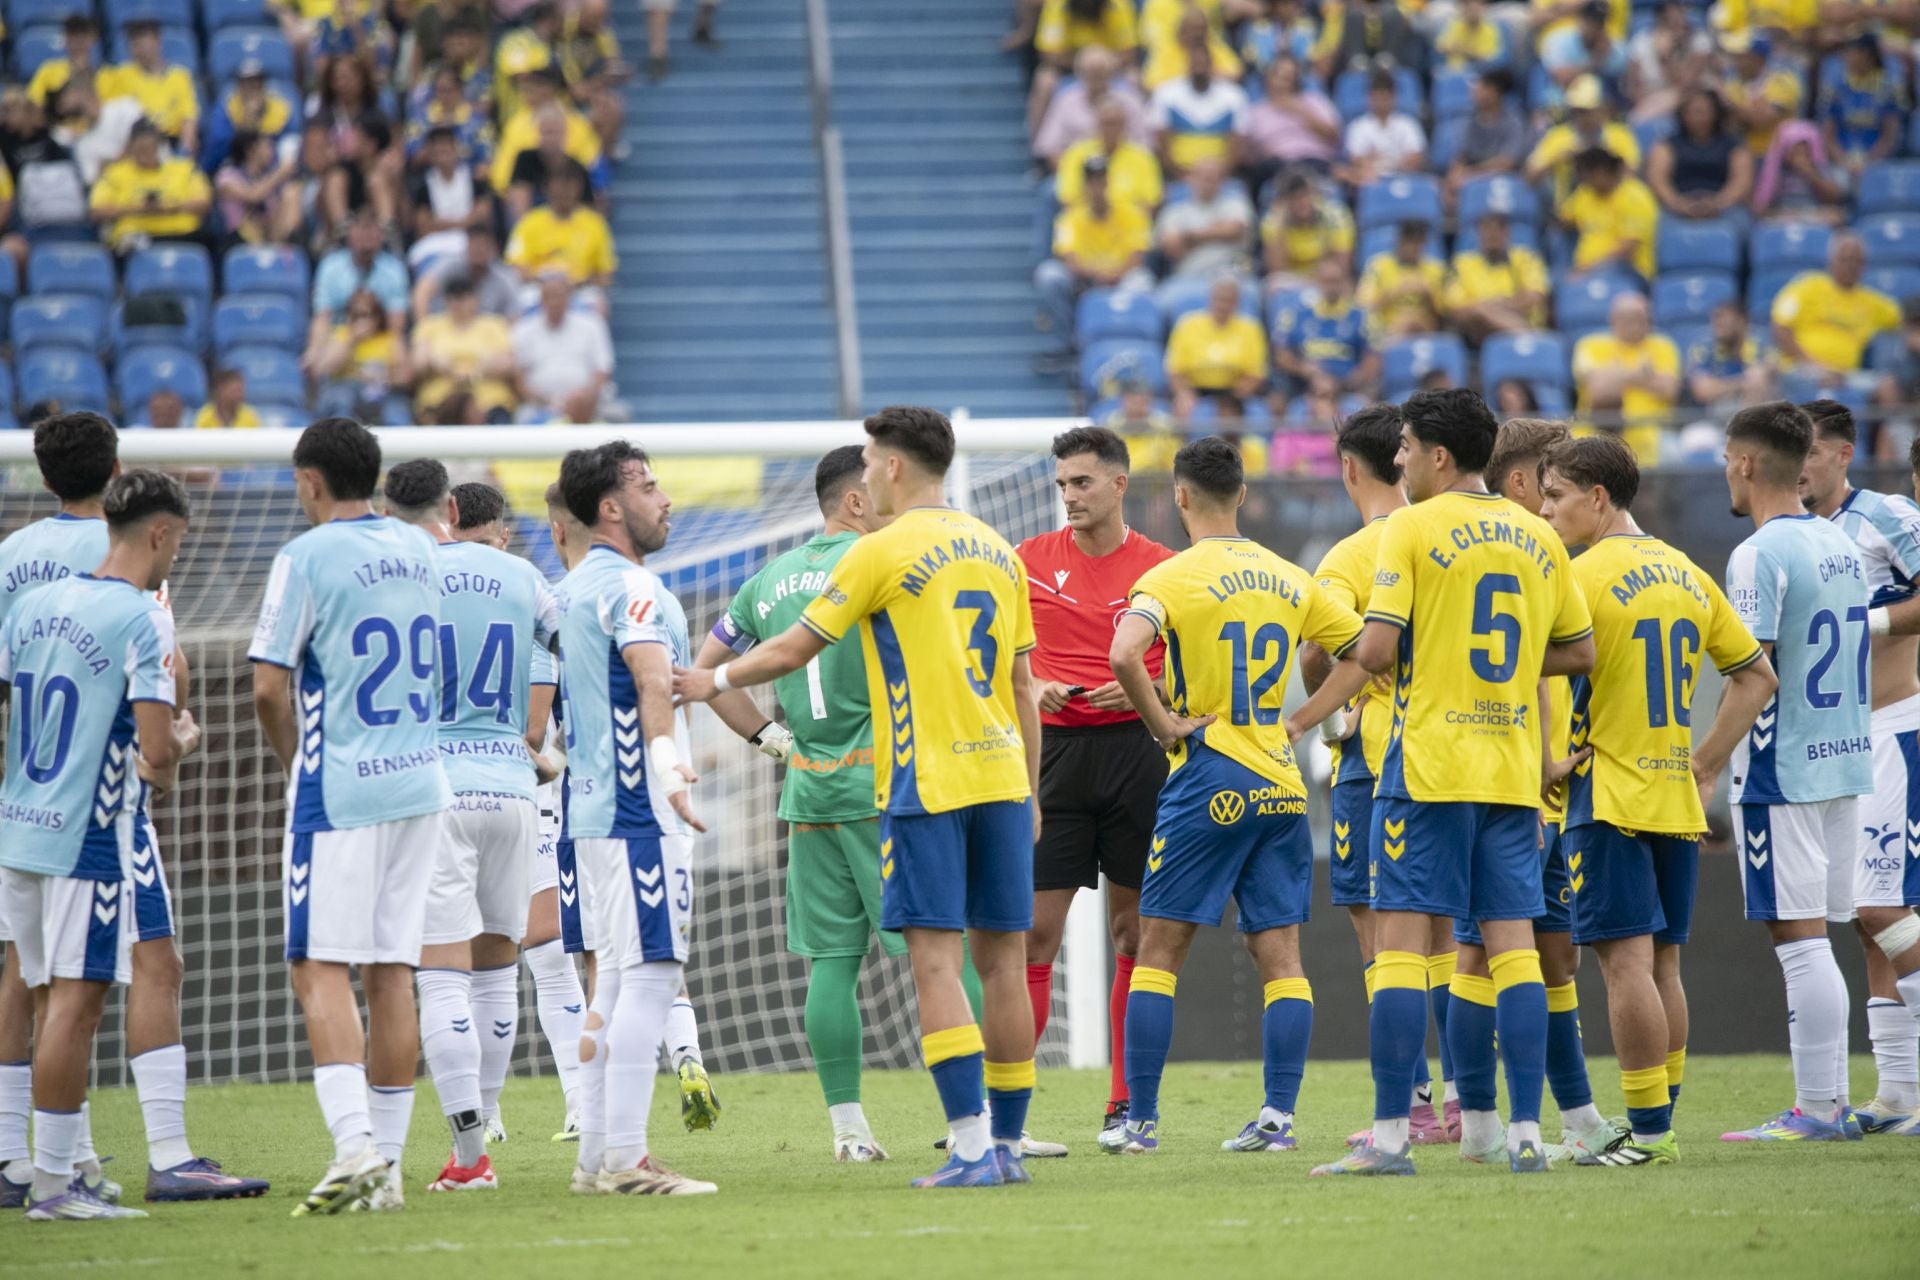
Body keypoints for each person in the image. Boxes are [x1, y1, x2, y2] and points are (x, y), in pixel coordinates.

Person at [676, 407, 1043, 1189]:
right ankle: (1009, 1141)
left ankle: (947, 1141)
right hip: (1000, 776)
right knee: (1002, 961)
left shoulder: (856, 558)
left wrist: (718, 686)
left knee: (904, 964)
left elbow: (789, 649)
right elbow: (1021, 685)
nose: (870, 473)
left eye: (876, 459)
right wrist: (1034, 790)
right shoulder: (1001, 552)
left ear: (893, 469)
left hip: (888, 781)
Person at [1310, 388, 1595, 1178]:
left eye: (1403, 447)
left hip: (1426, 766)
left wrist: (1423, 657)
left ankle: (1392, 1140)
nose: (1395, 461)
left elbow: (1371, 652)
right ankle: (1526, 1134)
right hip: (1510, 771)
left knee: (1400, 950)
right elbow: (1579, 653)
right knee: (1512, 952)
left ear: (1439, 454)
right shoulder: (1536, 536)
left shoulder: (1407, 526)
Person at [0, 418, 267, 1210]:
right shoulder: (137, 596)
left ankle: (28, 1160)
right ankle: (136, 1160)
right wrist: (170, 751)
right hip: (96, 811)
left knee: (25, 977)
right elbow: (165, 694)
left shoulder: (22, 573)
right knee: (124, 976)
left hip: (24, 804)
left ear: (43, 476)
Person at [1104, 434, 1362, 1155]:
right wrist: (1306, 721)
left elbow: (1125, 652)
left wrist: (1162, 725)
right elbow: (1368, 655)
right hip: (1280, 784)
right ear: (1243, 495)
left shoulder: (1174, 577)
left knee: (1159, 951)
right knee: (1280, 955)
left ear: (1180, 497)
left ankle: (1141, 1122)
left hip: (1209, 774)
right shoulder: (1290, 577)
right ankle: (1278, 1118)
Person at [1536, 434, 1775, 1165]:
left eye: (1555, 497)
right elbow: (1756, 676)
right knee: (1665, 967)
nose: (1545, 513)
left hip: (1607, 792)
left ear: (1598, 498)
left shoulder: (1578, 577)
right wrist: (1705, 761)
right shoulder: (1685, 570)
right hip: (1675, 794)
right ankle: (1660, 1122)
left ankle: (1646, 1134)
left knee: (1624, 967)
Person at [250, 418, 454, 1214]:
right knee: (392, 969)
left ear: (309, 481)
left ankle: (353, 1148)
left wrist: (297, 761)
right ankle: (390, 1173)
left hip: (341, 789)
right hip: (418, 780)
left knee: (318, 967)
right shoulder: (418, 547)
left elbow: (269, 686)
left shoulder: (304, 556)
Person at [694, 446, 913, 1160]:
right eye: (883, 488)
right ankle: (982, 1122)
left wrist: (770, 741)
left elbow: (706, 674)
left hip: (810, 786)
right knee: (950, 947)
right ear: (856, 501)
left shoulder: (768, 580)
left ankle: (849, 1132)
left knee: (832, 961)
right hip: (885, 785)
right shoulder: (879, 567)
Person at [378, 460, 558, 1192]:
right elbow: (567, 646)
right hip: (514, 786)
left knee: (440, 976)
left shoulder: (402, 571)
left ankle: (470, 1153)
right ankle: (475, 1144)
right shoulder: (522, 577)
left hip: (436, 788)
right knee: (494, 973)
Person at [550, 441, 714, 1196]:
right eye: (649, 487)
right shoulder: (636, 592)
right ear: (611, 508)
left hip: (586, 816)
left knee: (612, 985)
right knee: (653, 973)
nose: (665, 499)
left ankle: (594, 1163)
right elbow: (651, 678)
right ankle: (624, 1159)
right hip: (636, 812)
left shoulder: (570, 590)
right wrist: (665, 763)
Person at [1716, 401, 1874, 1143]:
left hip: (1783, 768)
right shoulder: (1837, 542)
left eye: (1726, 457)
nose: (1724, 469)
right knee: (1822, 937)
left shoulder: (1759, 553)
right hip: (1844, 756)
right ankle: (1831, 1103)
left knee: (1799, 938)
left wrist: (1704, 762)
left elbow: (1754, 675)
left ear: (1747, 463)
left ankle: (1817, 1108)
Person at [1016, 427, 1175, 1147]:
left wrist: (1149, 685)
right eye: (1061, 486)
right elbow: (988, 657)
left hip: (1137, 756)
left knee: (1133, 934)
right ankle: (1003, 1115)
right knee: (1033, 938)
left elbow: (1194, 669)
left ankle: (1125, 1105)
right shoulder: (1025, 563)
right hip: (1052, 759)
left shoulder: (1163, 570)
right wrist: (1035, 683)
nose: (1069, 497)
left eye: (1081, 483)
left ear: (1118, 484)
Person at [1300, 405, 1454, 1145]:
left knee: (1380, 935)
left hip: (1379, 758)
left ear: (1350, 467)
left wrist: (1330, 715)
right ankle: (1470, 1101)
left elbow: (1318, 658)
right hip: (1464, 754)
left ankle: (1413, 1104)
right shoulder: (1451, 537)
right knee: (1452, 933)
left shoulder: (1350, 558)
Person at [1476, 419, 1613, 1163]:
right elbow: (1515, 678)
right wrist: (1535, 770)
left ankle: (1578, 1116)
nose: (1560, 491)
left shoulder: (1545, 559)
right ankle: (1488, 1127)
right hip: (1512, 791)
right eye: (1551, 476)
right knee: (1489, 956)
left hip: (1542, 789)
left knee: (1553, 959)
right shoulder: (1519, 553)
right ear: (1523, 482)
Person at [1794, 401, 1920, 1136]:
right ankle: (1899, 1095)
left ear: (1841, 454)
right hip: (1837, 740)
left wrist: (1863, 621)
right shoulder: (1799, 536)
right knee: (1864, 924)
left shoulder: (1888, 515)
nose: (1797, 467)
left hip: (1895, 728)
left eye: (1806, 453)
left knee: (1882, 909)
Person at [1034, 156, 1153, 363]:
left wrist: (1111, 275)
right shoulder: (1070, 217)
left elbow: (1137, 258)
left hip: (1121, 277)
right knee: (1050, 275)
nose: (1097, 187)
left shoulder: (1132, 213)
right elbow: (1069, 259)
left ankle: (1133, 347)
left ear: (1108, 182)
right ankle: (1067, 344)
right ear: (1085, 185)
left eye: (1101, 180)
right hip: (1084, 278)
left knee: (1141, 281)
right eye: (1092, 182)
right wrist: (1097, 275)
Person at [1771, 232, 1901, 391]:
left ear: (1864, 265)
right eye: (1844, 259)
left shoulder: (1872, 302)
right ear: (1831, 261)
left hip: (1848, 377)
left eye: (1856, 260)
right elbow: (1781, 328)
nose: (1850, 265)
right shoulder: (1807, 286)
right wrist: (1812, 365)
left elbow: (1905, 318)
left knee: (1888, 387)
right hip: (1801, 370)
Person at [1572, 292, 1681, 466]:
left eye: (1643, 317)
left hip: (1653, 431)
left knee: (1674, 453)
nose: (1637, 324)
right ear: (1613, 319)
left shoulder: (1663, 345)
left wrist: (1615, 374)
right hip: (1595, 431)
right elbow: (1597, 387)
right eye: (1629, 318)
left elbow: (1668, 389)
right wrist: (1642, 375)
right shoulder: (1590, 345)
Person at [88, 120, 212, 254]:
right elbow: (97, 211)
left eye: (150, 147)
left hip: (182, 235)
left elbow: (203, 204)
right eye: (141, 149)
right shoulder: (114, 173)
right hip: (136, 239)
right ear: (130, 147)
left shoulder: (184, 168)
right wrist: (138, 208)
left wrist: (168, 207)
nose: (146, 153)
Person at [503, 166, 616, 310]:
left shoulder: (595, 224)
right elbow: (516, 268)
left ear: (579, 188)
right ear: (547, 188)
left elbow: (606, 275)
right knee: (520, 303)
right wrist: (548, 283)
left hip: (579, 290)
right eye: (560, 187)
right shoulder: (529, 223)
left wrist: (580, 282)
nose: (565, 193)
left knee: (598, 304)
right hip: (538, 289)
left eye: (570, 187)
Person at [412, 276, 518, 425]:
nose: (458, 303)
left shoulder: (494, 325)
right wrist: (440, 365)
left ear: (475, 299)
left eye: (463, 297)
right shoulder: (429, 326)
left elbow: (508, 364)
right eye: (453, 298)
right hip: (440, 401)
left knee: (498, 415)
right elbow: (418, 363)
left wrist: (477, 372)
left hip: (488, 401)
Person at [1273, 257, 1377, 408]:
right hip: (1305, 390)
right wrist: (1303, 369)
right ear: (1316, 281)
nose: (1331, 286)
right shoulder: (1295, 315)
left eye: (1336, 281)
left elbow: (1373, 358)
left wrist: (1348, 381)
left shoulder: (1361, 317)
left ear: (1345, 282)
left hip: (1347, 391)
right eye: (1326, 281)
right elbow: (1281, 355)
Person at [512, 275, 615, 423]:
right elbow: (518, 378)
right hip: (538, 406)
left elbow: (603, 371)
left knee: (618, 416)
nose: (554, 302)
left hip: (588, 404)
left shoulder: (592, 325)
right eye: (549, 297)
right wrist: (546, 402)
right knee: (522, 417)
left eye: (559, 296)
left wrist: (583, 399)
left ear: (569, 297)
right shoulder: (523, 329)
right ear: (540, 300)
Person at [307, 288, 414, 427]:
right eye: (356, 315)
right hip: (347, 390)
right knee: (340, 399)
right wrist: (352, 340)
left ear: (378, 316)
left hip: (382, 393)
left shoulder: (391, 339)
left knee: (397, 409)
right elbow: (323, 369)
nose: (362, 321)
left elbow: (406, 377)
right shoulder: (342, 335)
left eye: (367, 315)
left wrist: (383, 378)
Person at [1032, 44, 1151, 167]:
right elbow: (1051, 148)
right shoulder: (1066, 101)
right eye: (1090, 71)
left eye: (1101, 71)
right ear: (1080, 73)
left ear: (1111, 73)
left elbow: (1145, 145)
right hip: (1076, 171)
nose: (1096, 77)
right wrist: (1073, 175)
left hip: (1125, 172)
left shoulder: (1129, 100)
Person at [1166, 276, 1268, 419]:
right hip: (1196, 390)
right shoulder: (1188, 324)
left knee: (1242, 414)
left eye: (1229, 300)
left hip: (1235, 392)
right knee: (1183, 408)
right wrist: (1185, 394)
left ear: (1237, 302)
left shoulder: (1250, 328)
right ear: (1210, 298)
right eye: (1219, 299)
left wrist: (1230, 401)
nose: (1223, 305)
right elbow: (1175, 370)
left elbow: (1255, 374)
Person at [1647, 89, 1753, 221]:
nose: (1698, 118)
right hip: (1677, 206)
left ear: (1716, 113)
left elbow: (1741, 181)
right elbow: (1659, 180)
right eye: (1693, 112)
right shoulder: (1666, 146)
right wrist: (1678, 204)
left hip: (1725, 206)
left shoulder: (1734, 146)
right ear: (1682, 114)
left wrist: (1718, 203)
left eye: (1704, 112)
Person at [1444, 212, 1549, 343]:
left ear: (1507, 232)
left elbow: (1534, 296)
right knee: (1477, 313)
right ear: (1478, 233)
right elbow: (1457, 309)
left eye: (1499, 228)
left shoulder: (1526, 258)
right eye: (1486, 229)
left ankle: (1520, 333)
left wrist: (1491, 307)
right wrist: (1495, 307)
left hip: (1522, 318)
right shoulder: (1461, 264)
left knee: (1481, 310)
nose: (1492, 234)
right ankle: (1525, 334)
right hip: (1479, 334)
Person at [1561, 146, 1658, 286]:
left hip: (1628, 271)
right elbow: (1564, 221)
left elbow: (1627, 249)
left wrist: (1588, 270)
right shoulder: (1585, 193)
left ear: (1602, 172)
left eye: (1588, 175)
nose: (1584, 180)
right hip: (1584, 270)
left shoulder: (1635, 195)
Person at [99, 19, 198, 155]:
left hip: (169, 142)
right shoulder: (120, 75)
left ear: (157, 40)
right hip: (134, 145)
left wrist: (184, 151)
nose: (136, 48)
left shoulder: (180, 76)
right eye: (132, 42)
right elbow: (111, 116)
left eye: (141, 40)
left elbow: (188, 118)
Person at [1821, 32, 1906, 189]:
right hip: (1841, 162)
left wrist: (1870, 161)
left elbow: (1890, 135)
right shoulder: (1836, 84)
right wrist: (1843, 161)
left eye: (1849, 51)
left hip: (1879, 161)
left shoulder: (1888, 86)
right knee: (1834, 184)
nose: (1844, 56)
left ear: (1866, 55)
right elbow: (1829, 134)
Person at [1148, 44, 1248, 178]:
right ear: (1187, 64)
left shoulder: (1234, 95)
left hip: (1222, 178)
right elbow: (1161, 142)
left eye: (1204, 64)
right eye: (1195, 64)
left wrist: (1217, 176)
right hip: (1178, 177)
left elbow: (1239, 143)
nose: (1199, 70)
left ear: (1212, 65)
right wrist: (1180, 174)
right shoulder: (1165, 94)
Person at [1057, 98, 1162, 215]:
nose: (1112, 129)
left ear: (1124, 125)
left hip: (1128, 226)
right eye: (1107, 123)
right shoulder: (1076, 154)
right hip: (1086, 224)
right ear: (1096, 124)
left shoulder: (1143, 157)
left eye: (1117, 124)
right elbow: (1068, 199)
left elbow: (1151, 202)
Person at [1152, 157, 1250, 281]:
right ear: (1190, 179)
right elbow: (1173, 248)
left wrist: (1189, 238)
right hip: (1186, 278)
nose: (1208, 183)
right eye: (1204, 178)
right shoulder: (1174, 211)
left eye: (1213, 178)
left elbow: (1235, 231)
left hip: (1232, 276)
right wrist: (1217, 231)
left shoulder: (1235, 204)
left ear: (1222, 181)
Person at [1443, 68, 1528, 208]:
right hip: (1472, 181)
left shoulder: (1514, 122)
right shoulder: (1469, 121)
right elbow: (1460, 158)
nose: (1474, 91)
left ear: (1494, 92)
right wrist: (1453, 178)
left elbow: (1507, 163)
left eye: (1481, 87)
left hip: (1505, 183)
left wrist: (1470, 175)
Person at [1243, 57, 1340, 178]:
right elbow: (1248, 154)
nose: (1281, 83)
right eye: (1277, 76)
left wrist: (1303, 112)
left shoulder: (1315, 101)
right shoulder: (1255, 112)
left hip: (1313, 162)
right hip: (1275, 165)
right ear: (1267, 79)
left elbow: (1334, 137)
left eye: (1288, 78)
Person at [1357, 220, 1445, 338]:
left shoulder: (1435, 269)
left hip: (1427, 329)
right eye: (1410, 242)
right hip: (1387, 329)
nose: (1415, 248)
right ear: (1399, 242)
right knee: (1403, 325)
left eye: (1419, 243)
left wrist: (1429, 295)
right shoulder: (1378, 266)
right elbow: (1364, 308)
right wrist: (1392, 293)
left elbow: (1446, 314)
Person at [1339, 69, 1426, 186]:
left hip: (1403, 177)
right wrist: (1375, 169)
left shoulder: (1408, 124)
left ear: (1394, 97)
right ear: (1370, 97)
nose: (1381, 103)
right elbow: (1356, 158)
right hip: (1370, 179)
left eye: (1385, 98)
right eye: (1378, 98)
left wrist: (1393, 166)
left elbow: (1416, 156)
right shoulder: (1358, 126)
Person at [1686, 300, 1772, 412]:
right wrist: (1741, 382)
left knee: (1758, 379)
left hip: (1750, 413)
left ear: (1742, 321)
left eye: (1723, 318)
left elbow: (1766, 374)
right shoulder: (1704, 349)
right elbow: (1703, 391)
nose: (1717, 324)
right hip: (1711, 418)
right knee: (1697, 430)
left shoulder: (1761, 346)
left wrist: (1720, 386)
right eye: (1715, 318)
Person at [194, 368, 262, 429]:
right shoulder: (205, 416)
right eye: (235, 391)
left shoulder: (250, 415)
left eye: (241, 391)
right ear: (221, 390)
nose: (240, 395)